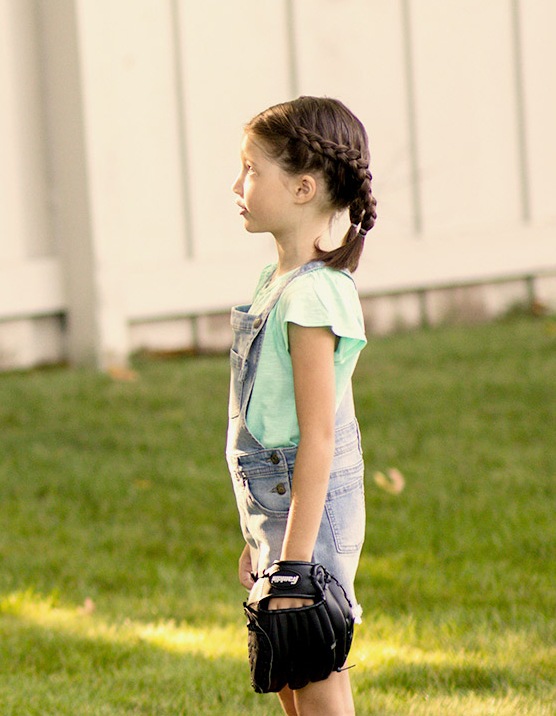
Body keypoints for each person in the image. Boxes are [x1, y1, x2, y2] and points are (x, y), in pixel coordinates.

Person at [227, 96, 376, 715]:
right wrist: (259, 539)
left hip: (305, 507)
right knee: (287, 672)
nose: (237, 185)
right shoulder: (278, 283)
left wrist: (292, 562)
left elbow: (315, 437)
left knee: (314, 668)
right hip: (279, 510)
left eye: (252, 170)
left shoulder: (314, 296)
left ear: (303, 188)